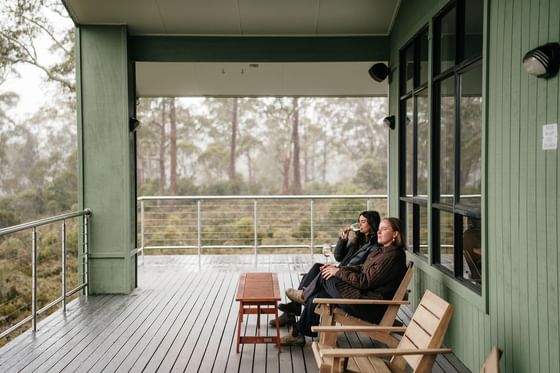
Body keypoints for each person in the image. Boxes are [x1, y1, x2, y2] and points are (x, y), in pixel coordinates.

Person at [280, 217, 407, 346]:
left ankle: (304, 295)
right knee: (321, 293)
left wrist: (338, 272)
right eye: (379, 229)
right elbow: (361, 268)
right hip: (362, 296)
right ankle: (299, 332)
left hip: (367, 305)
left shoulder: (393, 256)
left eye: (384, 229)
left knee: (325, 276)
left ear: (395, 234)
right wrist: (338, 268)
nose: (379, 232)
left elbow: (365, 281)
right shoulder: (383, 251)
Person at [270, 210, 381, 327]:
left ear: (372, 224)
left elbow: (361, 268)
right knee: (317, 267)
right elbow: (339, 257)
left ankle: (298, 303)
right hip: (343, 272)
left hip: (348, 280)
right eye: (359, 222)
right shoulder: (359, 241)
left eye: (363, 222)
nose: (360, 225)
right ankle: (296, 306)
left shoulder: (375, 247)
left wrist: (338, 270)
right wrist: (343, 240)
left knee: (319, 283)